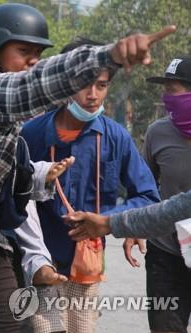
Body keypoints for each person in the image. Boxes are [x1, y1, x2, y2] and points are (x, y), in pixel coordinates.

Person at [0, 2, 175, 331]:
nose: (32, 62)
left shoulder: (110, 135)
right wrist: (108, 56)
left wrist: (40, 176)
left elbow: (11, 177)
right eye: (23, 51)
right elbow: (31, 87)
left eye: (37, 54)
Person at [20, 38, 161, 332]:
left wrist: (112, 221)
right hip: (38, 262)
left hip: (85, 266)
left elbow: (148, 196)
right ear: (62, 83)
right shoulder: (31, 134)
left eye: (101, 85)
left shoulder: (115, 137)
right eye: (84, 83)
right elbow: (10, 195)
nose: (93, 95)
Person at [69, 55, 191, 333]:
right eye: (166, 91)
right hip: (166, 251)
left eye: (175, 91)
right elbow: (145, 189)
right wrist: (136, 228)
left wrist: (116, 223)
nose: (168, 98)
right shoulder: (157, 133)